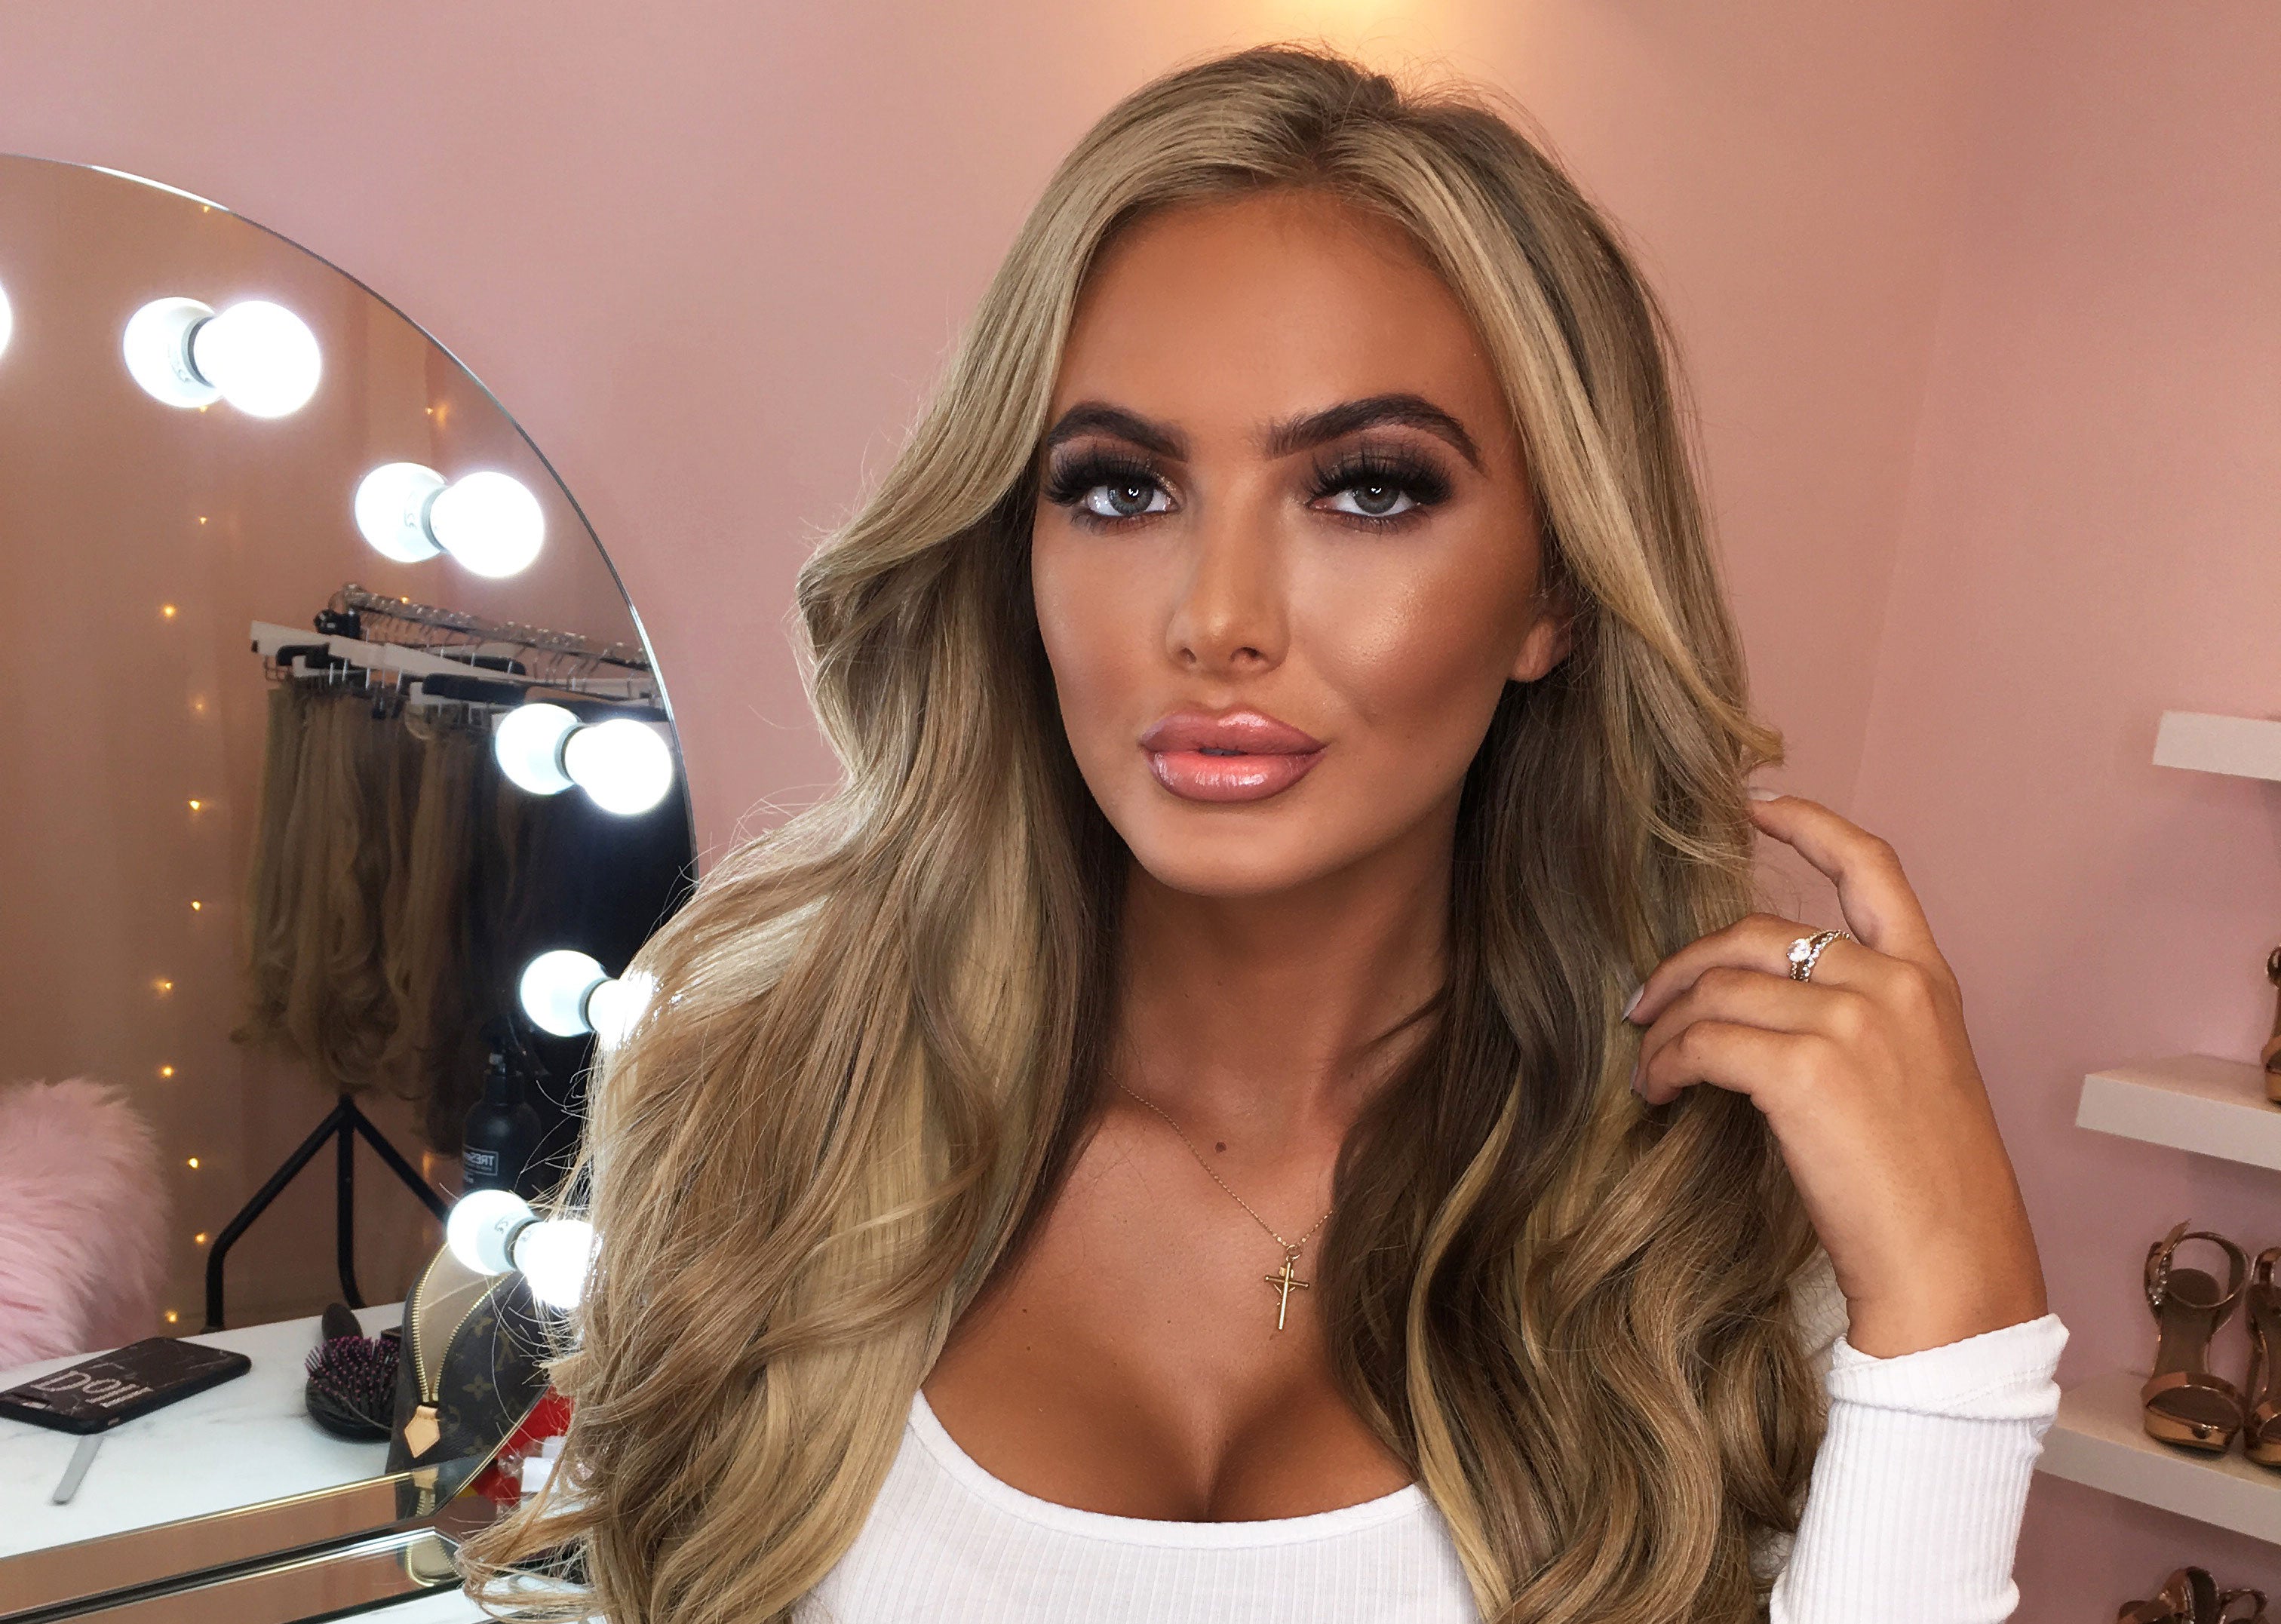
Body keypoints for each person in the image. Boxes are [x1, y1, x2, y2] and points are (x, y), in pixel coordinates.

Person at [461, 43, 2065, 1624]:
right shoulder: (773, 1104)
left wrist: (1960, 1323)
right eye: (1120, 489)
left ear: (1557, 592)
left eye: (1367, 489)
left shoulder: (1715, 1224)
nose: (1217, 618)